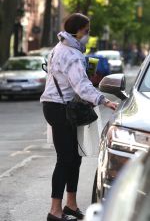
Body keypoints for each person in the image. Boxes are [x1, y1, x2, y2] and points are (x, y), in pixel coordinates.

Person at [40, 13, 118, 221]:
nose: (88, 34)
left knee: (74, 158)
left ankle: (71, 205)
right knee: (65, 159)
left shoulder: (62, 49)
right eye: (87, 31)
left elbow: (73, 81)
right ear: (77, 31)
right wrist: (104, 100)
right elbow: (81, 86)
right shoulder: (72, 54)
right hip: (60, 107)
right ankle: (54, 211)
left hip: (58, 105)